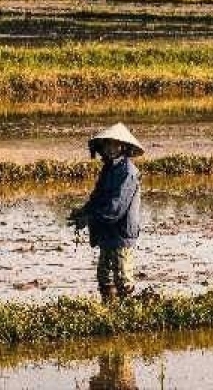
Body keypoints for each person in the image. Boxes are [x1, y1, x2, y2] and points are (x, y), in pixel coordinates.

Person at [68, 123, 143, 302]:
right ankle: (109, 309)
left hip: (121, 233)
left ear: (123, 146)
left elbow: (115, 208)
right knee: (104, 276)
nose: (110, 148)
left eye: (114, 144)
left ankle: (127, 311)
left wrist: (89, 218)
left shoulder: (128, 172)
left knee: (122, 277)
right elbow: (97, 197)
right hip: (106, 232)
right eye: (107, 144)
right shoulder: (108, 169)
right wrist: (83, 212)